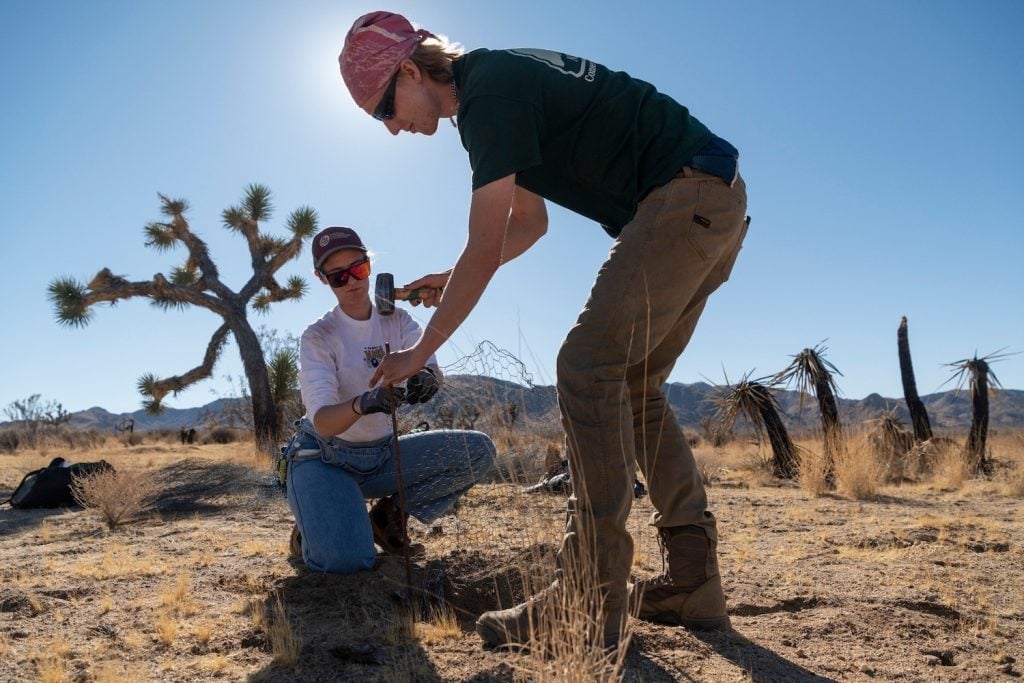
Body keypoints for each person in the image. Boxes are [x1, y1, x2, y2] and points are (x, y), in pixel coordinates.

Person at [338, 12, 749, 649]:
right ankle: (693, 579)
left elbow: (484, 244)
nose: (391, 128)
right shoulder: (495, 89)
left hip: (682, 198)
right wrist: (449, 277)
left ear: (412, 71)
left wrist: (419, 351)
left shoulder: (488, 96)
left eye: (382, 109)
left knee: (585, 367)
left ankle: (588, 592)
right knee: (634, 384)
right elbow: (527, 226)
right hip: (710, 202)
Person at [282, 225, 496, 574]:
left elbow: (427, 366)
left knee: (479, 451)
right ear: (323, 280)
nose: (351, 281)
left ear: (369, 264)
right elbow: (322, 420)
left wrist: (426, 380)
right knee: (349, 561)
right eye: (338, 277)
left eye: (358, 269)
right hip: (324, 458)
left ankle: (386, 517)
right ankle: (316, 528)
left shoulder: (399, 320)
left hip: (381, 456)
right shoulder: (319, 336)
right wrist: (365, 402)